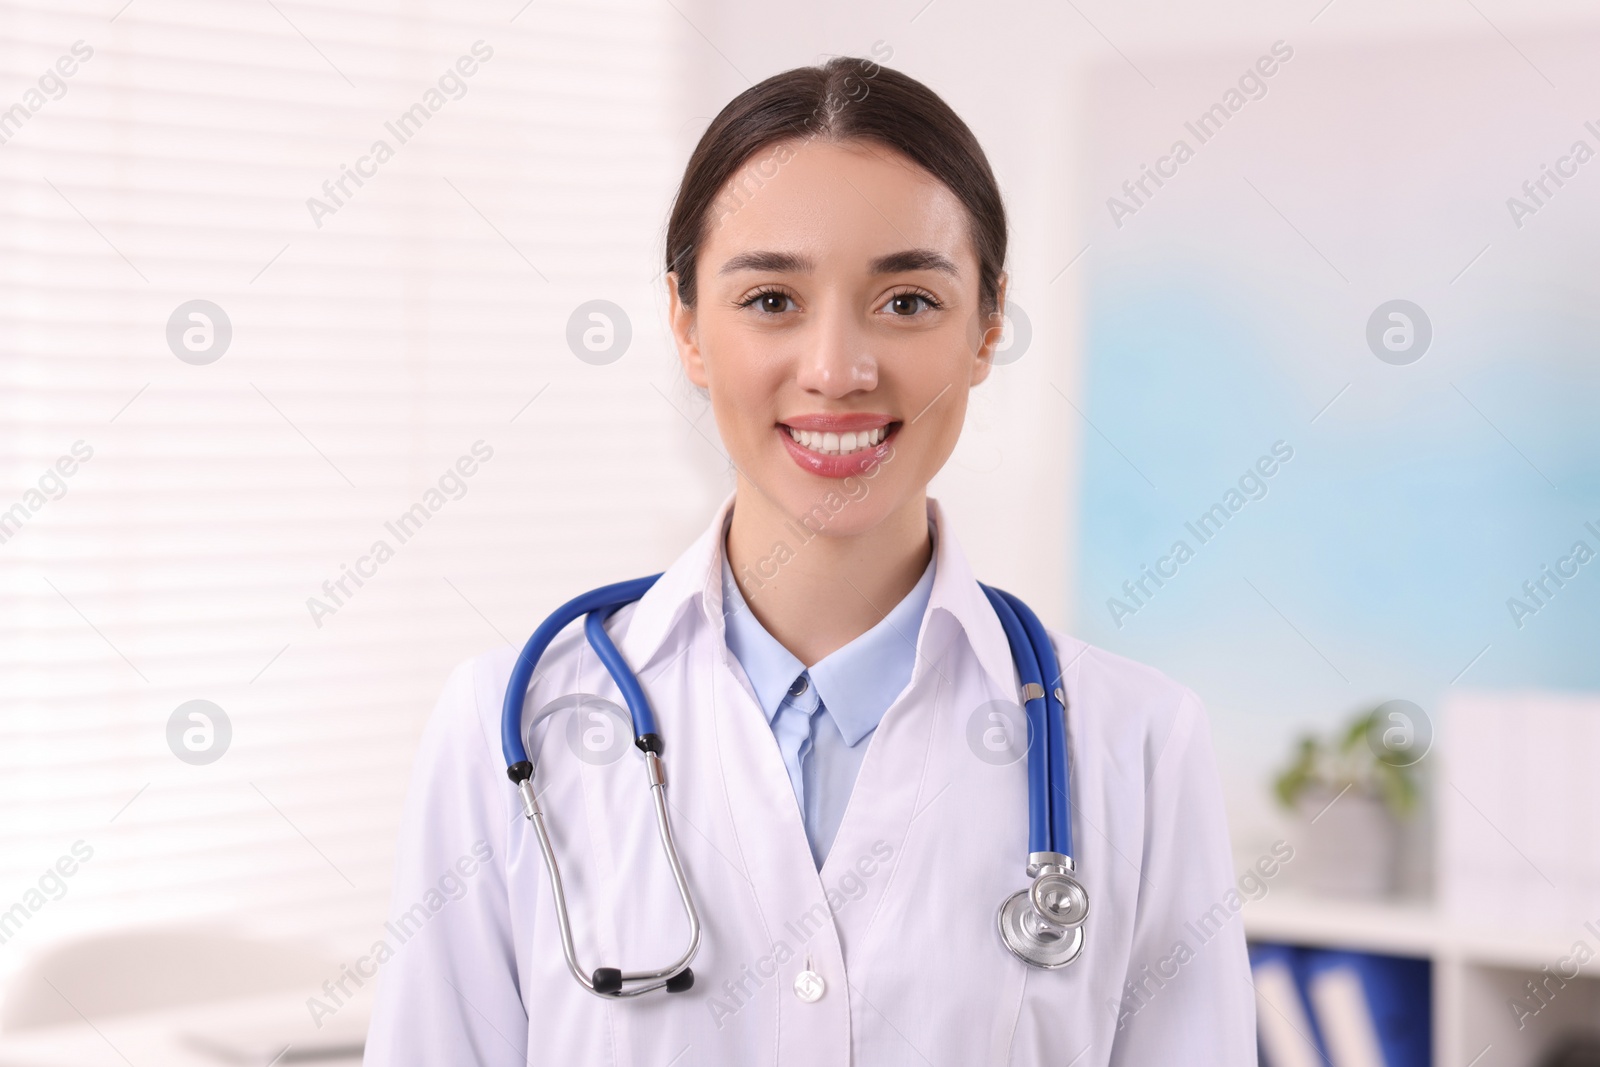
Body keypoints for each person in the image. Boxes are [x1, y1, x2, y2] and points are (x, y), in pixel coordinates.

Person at [364, 55, 1254, 1065]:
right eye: (772, 300)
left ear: (988, 325)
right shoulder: (510, 729)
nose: (837, 369)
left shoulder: (1134, 744)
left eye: (908, 300)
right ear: (686, 326)